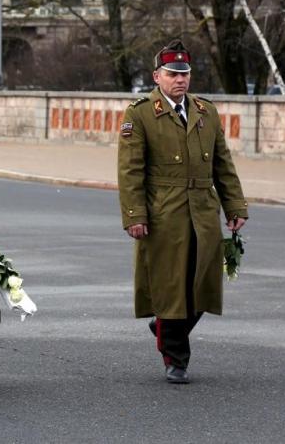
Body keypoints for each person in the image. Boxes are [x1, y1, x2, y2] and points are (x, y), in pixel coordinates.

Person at [117, 40, 249, 384]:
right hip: (165, 211)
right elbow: (130, 170)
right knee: (173, 285)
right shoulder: (140, 113)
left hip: (203, 210)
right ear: (157, 76)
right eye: (173, 74)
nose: (180, 80)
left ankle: (163, 326)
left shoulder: (206, 112)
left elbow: (223, 163)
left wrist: (235, 205)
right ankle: (176, 357)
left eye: (185, 73)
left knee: (203, 283)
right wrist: (135, 215)